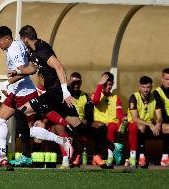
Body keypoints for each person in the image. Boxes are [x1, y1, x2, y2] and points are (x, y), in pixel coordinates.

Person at [8, 25, 120, 168]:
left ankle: (26, 156)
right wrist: (16, 71)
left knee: (20, 112)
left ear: (25, 39)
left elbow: (59, 67)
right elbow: (32, 68)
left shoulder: (42, 49)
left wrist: (65, 92)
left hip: (55, 93)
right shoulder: (34, 51)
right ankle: (113, 146)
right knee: (79, 127)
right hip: (56, 94)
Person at [0, 26, 72, 168]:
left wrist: (6, 83)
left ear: (7, 38)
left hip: (24, 92)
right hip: (17, 91)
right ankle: (2, 155)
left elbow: (26, 71)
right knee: (0, 119)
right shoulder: (15, 46)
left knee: (28, 129)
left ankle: (62, 141)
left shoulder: (14, 48)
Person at [92, 72, 130, 166]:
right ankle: (104, 156)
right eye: (106, 84)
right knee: (107, 128)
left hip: (113, 124)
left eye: (110, 84)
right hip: (100, 124)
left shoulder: (116, 98)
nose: (108, 87)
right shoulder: (96, 94)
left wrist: (124, 120)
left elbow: (120, 114)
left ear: (113, 84)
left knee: (114, 126)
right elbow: (95, 101)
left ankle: (114, 158)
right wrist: (100, 84)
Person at [127, 76, 162, 167]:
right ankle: (141, 156)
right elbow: (135, 118)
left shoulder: (155, 97)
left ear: (151, 87)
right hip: (135, 125)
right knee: (141, 127)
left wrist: (158, 124)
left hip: (150, 125)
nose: (146, 90)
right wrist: (150, 124)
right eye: (143, 87)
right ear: (139, 87)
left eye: (148, 87)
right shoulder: (134, 97)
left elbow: (159, 116)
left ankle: (165, 156)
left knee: (166, 128)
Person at [155, 68, 169, 166]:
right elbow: (160, 110)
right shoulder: (157, 92)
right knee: (167, 128)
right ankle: (165, 156)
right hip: (162, 120)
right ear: (162, 79)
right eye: (167, 79)